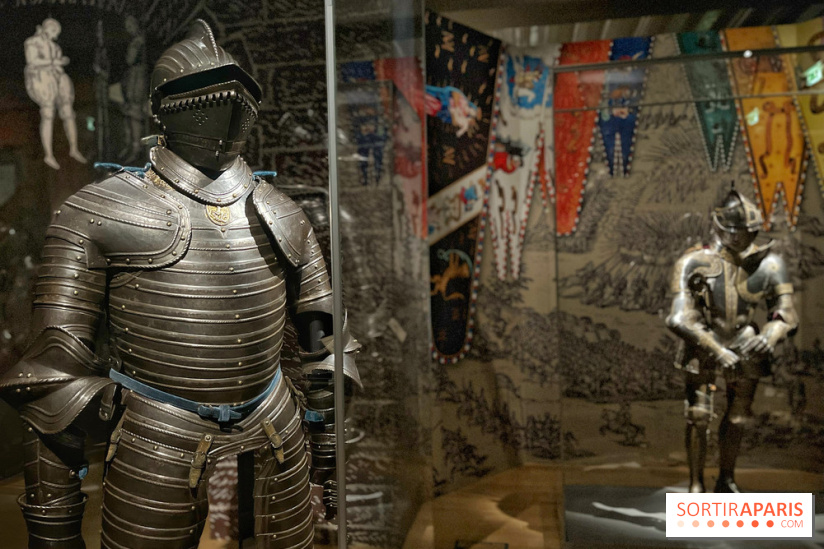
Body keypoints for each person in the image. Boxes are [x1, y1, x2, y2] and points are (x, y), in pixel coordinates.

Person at [1, 20, 359, 548]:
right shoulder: (97, 212)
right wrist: (52, 528)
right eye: (203, 90)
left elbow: (324, 346)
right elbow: (55, 381)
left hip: (276, 426)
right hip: (156, 433)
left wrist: (328, 455)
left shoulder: (285, 215)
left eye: (242, 90)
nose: (230, 102)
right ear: (164, 106)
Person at [666, 188, 798, 493]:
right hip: (702, 343)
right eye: (734, 230)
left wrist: (771, 333)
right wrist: (716, 349)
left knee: (738, 418)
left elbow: (787, 311)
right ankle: (696, 484)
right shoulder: (693, 262)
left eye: (748, 230)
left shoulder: (770, 264)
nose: (741, 237)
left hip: (746, 345)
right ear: (718, 226)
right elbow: (679, 317)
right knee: (698, 416)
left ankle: (726, 479)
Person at [24, 18, 87, 170]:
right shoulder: (32, 42)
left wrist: (59, 63)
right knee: (47, 113)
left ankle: (73, 148)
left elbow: (57, 63)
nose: (55, 36)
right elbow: (32, 61)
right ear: (48, 29)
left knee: (68, 112)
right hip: (41, 79)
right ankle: (48, 155)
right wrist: (54, 63)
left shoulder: (55, 46)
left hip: (57, 78)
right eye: (54, 32)